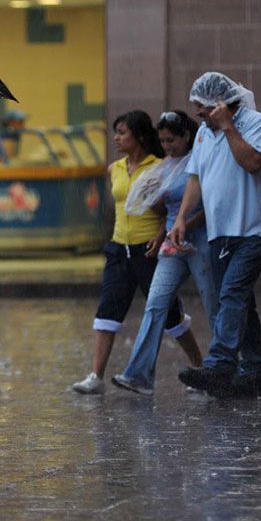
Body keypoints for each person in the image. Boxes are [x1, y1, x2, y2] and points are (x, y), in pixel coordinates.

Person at [169, 72, 261, 399]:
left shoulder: (254, 122)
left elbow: (251, 163)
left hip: (253, 227)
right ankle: (257, 371)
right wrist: (181, 219)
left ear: (220, 104)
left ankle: (220, 363)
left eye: (202, 109)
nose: (198, 116)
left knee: (232, 293)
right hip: (221, 231)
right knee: (239, 300)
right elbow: (195, 179)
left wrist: (228, 126)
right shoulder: (204, 136)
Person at [71, 110, 199, 395]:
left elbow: (169, 209)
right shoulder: (113, 169)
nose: (116, 138)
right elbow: (116, 208)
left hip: (149, 249)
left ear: (139, 137)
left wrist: (160, 234)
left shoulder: (160, 167)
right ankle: (95, 375)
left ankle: (199, 364)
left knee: (169, 315)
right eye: (115, 132)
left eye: (122, 133)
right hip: (119, 248)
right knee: (107, 309)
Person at [112, 110, 217, 395]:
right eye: (163, 141)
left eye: (172, 140)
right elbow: (162, 209)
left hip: (200, 239)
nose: (167, 146)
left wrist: (184, 224)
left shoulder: (200, 161)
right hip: (172, 242)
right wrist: (153, 198)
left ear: (186, 137)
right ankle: (139, 374)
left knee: (213, 302)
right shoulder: (166, 166)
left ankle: (222, 367)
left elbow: (210, 207)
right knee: (156, 303)